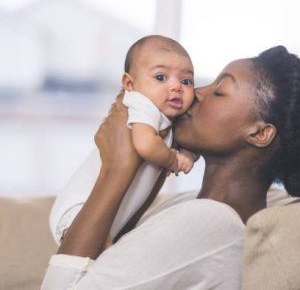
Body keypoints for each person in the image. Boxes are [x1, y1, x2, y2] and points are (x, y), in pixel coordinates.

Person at [42, 46, 300, 289]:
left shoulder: (212, 222)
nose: (196, 92)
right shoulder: (190, 205)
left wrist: (116, 169)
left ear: (260, 133)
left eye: (219, 91)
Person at [50, 35, 196, 244]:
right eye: (161, 77)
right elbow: (145, 145)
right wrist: (174, 160)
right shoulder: (141, 105)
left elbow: (189, 142)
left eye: (186, 81)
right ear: (130, 83)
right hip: (79, 209)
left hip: (112, 215)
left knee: (104, 263)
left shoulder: (166, 118)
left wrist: (189, 154)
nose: (176, 87)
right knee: (103, 263)